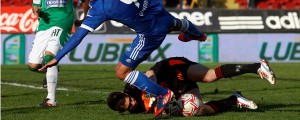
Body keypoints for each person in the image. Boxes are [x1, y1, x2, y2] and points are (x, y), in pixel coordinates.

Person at [39, 0, 207, 117]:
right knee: (177, 23)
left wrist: (57, 57)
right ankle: (198, 33)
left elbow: (79, 37)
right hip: (160, 13)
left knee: (122, 72)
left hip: (150, 34)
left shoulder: (98, 8)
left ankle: (163, 94)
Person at [106, 57, 276, 115]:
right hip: (177, 89)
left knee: (209, 76)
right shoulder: (135, 110)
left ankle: (257, 67)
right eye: (123, 107)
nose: (128, 104)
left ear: (124, 94)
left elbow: (149, 74)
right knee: (196, 111)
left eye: (124, 100)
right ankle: (234, 100)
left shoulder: (130, 87)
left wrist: (154, 90)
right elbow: (162, 108)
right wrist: (170, 108)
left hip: (171, 69)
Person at [28, 0, 89, 107]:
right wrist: (37, 10)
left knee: (50, 57)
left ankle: (51, 99)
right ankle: (52, 70)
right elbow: (35, 4)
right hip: (44, 24)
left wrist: (84, 17)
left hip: (63, 22)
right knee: (33, 65)